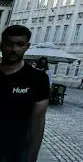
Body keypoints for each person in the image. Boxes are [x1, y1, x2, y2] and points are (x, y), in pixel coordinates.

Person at [1, 25, 50, 162]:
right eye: (9, 44)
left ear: (27, 46)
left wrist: (32, 156)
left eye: (19, 44)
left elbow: (38, 121)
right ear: (1, 45)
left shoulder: (38, 79)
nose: (14, 49)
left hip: (17, 152)